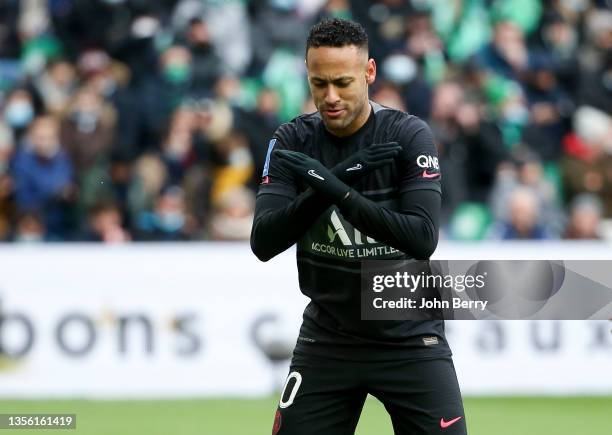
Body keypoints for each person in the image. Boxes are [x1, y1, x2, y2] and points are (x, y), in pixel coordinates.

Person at [250, 18, 466, 435]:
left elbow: (422, 238)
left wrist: (337, 189)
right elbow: (264, 241)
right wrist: (328, 187)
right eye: (319, 83)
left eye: (343, 82)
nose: (330, 97)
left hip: (410, 338)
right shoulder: (292, 140)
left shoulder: (408, 135)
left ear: (369, 72)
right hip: (327, 339)